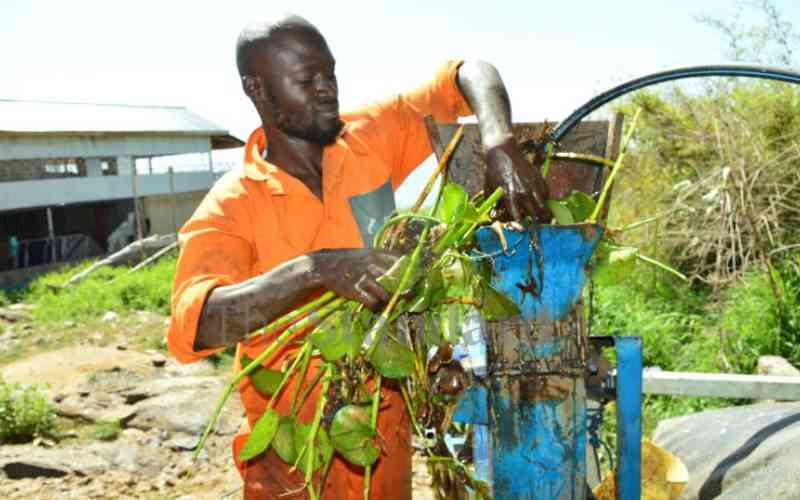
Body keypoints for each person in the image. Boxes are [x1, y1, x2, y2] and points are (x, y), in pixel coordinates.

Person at [167, 14, 549, 499]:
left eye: (331, 74)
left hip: (380, 454)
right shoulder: (233, 205)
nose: (328, 90)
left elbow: (469, 72)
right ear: (257, 89)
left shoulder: (369, 136)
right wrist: (316, 270)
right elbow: (194, 327)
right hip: (292, 467)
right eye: (307, 80)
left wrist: (498, 140)